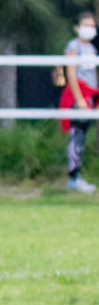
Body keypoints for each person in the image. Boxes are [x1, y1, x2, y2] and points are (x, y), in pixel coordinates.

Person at [60, 11, 98, 194]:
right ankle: (73, 178)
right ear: (77, 28)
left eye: (92, 26)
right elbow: (71, 73)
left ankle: (76, 178)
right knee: (76, 135)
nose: (90, 29)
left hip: (90, 96)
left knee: (81, 137)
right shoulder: (74, 46)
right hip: (79, 97)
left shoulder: (92, 48)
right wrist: (79, 99)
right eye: (86, 25)